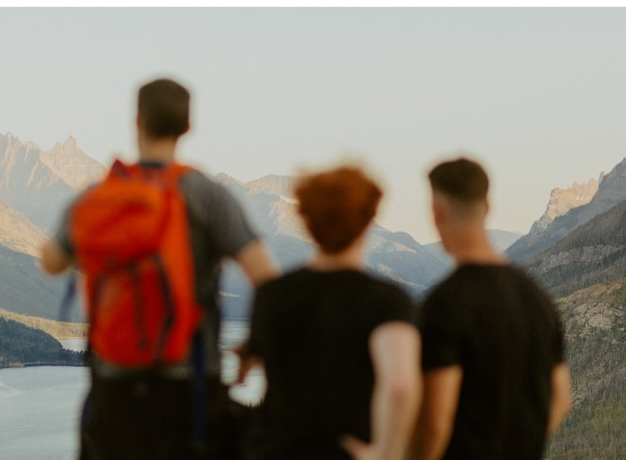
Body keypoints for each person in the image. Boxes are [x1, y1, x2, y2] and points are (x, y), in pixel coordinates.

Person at [40, 78, 279, 459]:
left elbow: (51, 261)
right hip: (190, 391)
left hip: (113, 389)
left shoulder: (99, 197)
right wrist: (255, 345)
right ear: (187, 127)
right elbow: (267, 279)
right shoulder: (206, 196)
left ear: (137, 121)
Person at [242, 166, 420, 460]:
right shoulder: (387, 301)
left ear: (306, 220)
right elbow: (400, 385)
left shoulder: (273, 295)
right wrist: (383, 454)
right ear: (368, 218)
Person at [410, 157, 571, 460]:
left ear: (437, 212)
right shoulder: (538, 297)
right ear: (486, 207)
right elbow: (560, 399)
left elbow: (435, 424)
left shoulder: (444, 303)